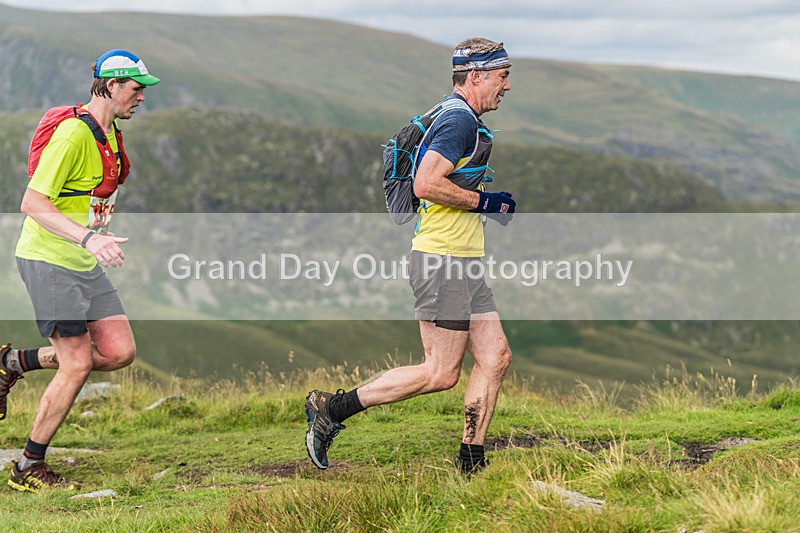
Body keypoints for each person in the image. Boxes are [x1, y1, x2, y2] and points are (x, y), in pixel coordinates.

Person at [305, 37, 515, 475]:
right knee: (440, 372)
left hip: (462, 259)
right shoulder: (459, 122)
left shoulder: (452, 115)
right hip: (443, 261)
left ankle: (470, 465)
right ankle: (332, 409)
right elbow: (425, 184)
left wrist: (481, 205)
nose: (506, 86)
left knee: (495, 358)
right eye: (502, 76)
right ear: (475, 76)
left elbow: (442, 184)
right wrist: (486, 203)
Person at [0, 49, 159, 492]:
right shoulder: (73, 134)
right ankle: (28, 467)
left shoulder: (109, 134)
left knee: (119, 351)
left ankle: (12, 362)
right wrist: (89, 237)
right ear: (111, 86)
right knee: (76, 363)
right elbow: (31, 203)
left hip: (81, 261)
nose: (142, 97)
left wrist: (93, 240)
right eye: (135, 88)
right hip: (49, 259)